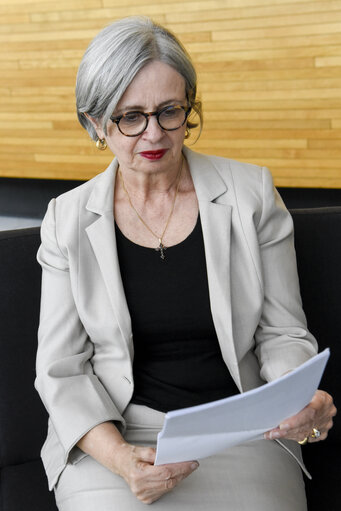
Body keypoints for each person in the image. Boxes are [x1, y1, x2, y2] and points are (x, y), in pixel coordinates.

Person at [35, 16, 336, 511]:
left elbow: (282, 333)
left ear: (188, 108)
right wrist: (121, 458)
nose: (154, 134)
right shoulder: (66, 220)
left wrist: (294, 399)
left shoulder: (251, 194)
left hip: (239, 426)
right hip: (118, 434)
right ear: (94, 123)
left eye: (169, 111)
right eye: (130, 117)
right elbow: (61, 370)